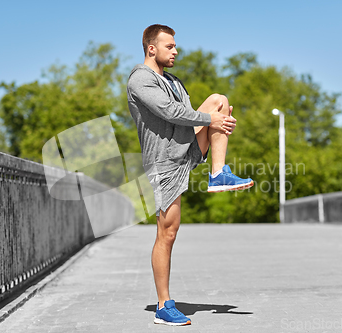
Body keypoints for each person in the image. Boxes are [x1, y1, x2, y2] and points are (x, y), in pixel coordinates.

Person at [127, 24, 254, 326]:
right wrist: (212, 120)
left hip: (184, 146)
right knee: (168, 232)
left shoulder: (173, 80)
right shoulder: (140, 80)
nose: (175, 51)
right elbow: (169, 111)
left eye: (175, 46)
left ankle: (219, 174)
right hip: (163, 163)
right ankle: (163, 306)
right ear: (151, 48)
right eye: (169, 46)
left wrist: (214, 118)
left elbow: (187, 114)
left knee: (219, 100)